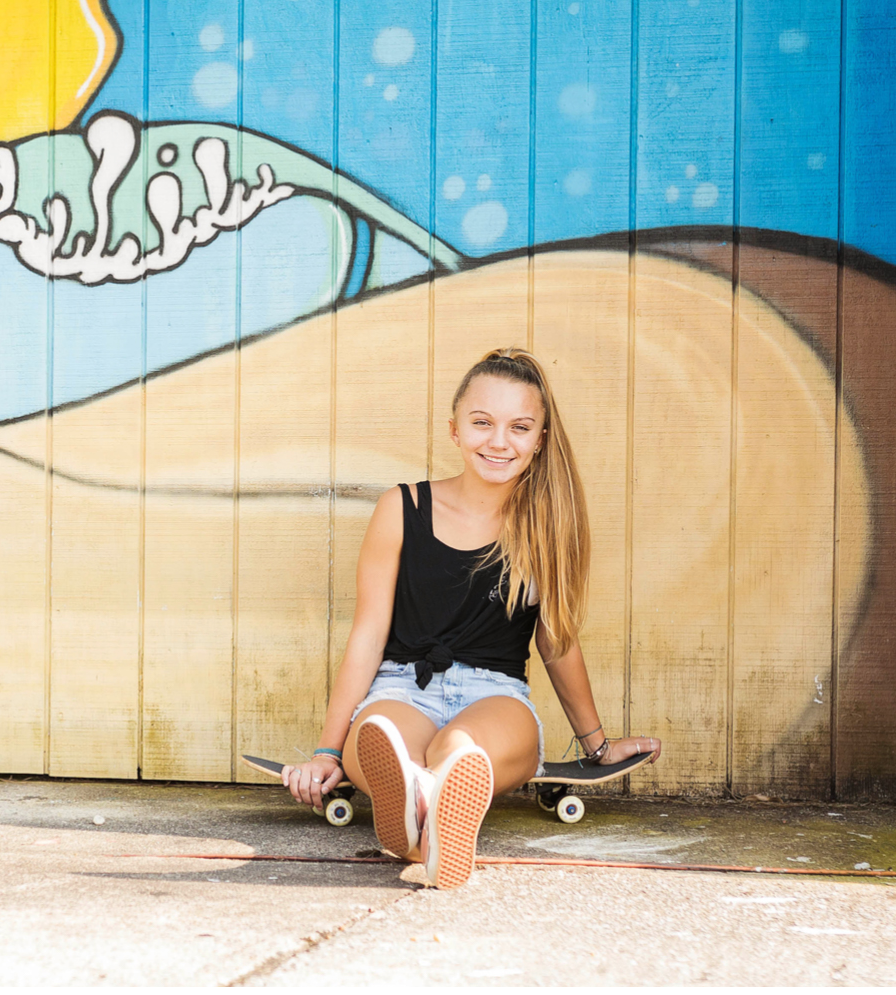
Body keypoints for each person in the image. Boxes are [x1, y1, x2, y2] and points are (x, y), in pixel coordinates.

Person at [278, 348, 661, 888]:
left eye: (519, 427)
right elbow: (368, 635)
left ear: (541, 438)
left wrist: (596, 745)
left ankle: (428, 815)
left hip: (496, 696)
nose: (499, 441)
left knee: (461, 750)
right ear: (455, 430)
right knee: (383, 736)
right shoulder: (401, 508)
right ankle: (426, 816)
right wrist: (326, 750)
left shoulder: (548, 525)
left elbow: (557, 645)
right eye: (482, 423)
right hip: (402, 689)